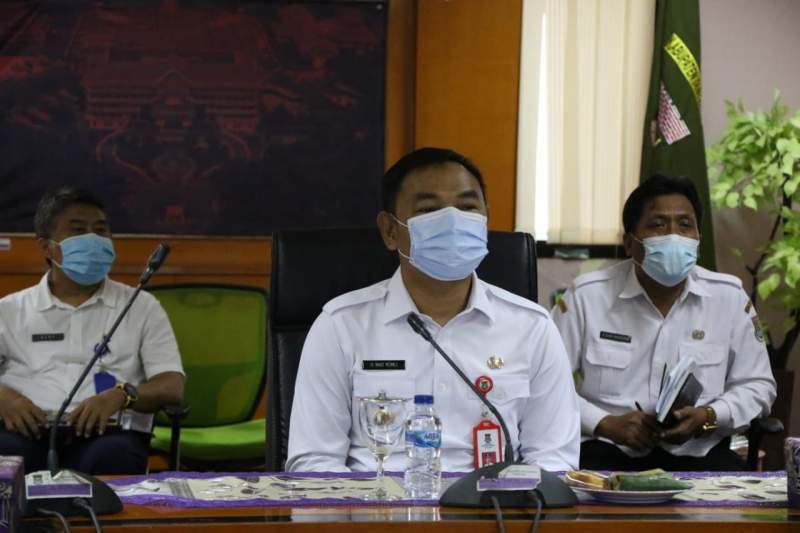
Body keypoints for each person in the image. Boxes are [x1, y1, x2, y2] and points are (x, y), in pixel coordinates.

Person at [287, 147, 580, 473]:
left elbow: (554, 462)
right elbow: (314, 464)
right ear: (390, 230)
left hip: (494, 514)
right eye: (429, 210)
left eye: (468, 207)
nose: (453, 222)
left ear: (485, 220)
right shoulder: (340, 327)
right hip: (377, 514)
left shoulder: (532, 327)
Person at [551, 175, 776, 471]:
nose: (674, 236)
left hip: (700, 454)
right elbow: (546, 385)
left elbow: (757, 385)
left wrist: (709, 416)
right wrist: (604, 423)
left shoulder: (729, 298)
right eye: (658, 224)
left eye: (685, 224)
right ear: (630, 243)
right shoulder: (586, 296)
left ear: (697, 238)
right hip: (606, 452)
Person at [0, 187, 185, 474]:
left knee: (111, 458)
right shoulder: (10, 310)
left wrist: (122, 396)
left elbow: (172, 385)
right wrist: (5, 398)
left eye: (100, 230)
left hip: (108, 435)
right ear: (46, 246)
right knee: (8, 457)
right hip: (22, 433)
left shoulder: (140, 305)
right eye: (78, 230)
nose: (93, 239)